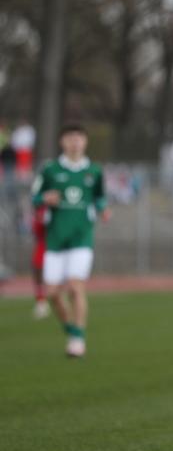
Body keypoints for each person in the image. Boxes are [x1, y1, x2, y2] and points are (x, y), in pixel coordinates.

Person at [31, 124, 110, 357]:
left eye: (79, 138)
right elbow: (35, 197)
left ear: (85, 142)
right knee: (53, 293)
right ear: (62, 142)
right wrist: (44, 198)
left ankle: (78, 338)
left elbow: (100, 197)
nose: (75, 142)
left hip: (81, 237)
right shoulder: (50, 170)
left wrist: (103, 209)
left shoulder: (94, 171)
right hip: (56, 238)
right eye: (70, 138)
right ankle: (71, 329)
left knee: (76, 287)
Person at [32, 204, 50, 319]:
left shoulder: (50, 211)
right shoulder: (39, 211)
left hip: (53, 246)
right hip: (41, 245)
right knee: (38, 274)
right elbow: (36, 230)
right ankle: (41, 302)